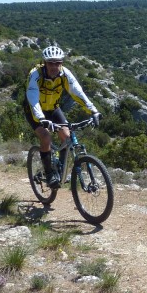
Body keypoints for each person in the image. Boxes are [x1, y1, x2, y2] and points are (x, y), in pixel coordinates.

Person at [25, 45, 101, 188]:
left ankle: (60, 168)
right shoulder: (36, 74)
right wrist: (42, 119)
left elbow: (77, 92)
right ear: (44, 62)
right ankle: (49, 174)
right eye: (50, 63)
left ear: (62, 63)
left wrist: (94, 111)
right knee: (46, 137)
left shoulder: (65, 74)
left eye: (58, 63)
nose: (54, 66)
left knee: (66, 136)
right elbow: (33, 97)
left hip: (53, 108)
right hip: (34, 110)